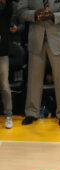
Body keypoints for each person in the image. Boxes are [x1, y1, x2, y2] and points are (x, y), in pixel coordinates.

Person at [18, 0, 60, 126]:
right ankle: (31, 112)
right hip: (36, 40)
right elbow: (20, 11)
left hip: (58, 40)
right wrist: (34, 14)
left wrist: (54, 16)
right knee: (34, 80)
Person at [0, 0, 13, 129]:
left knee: (4, 85)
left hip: (2, 52)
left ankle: (8, 115)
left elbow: (8, 10)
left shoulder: (6, 7)